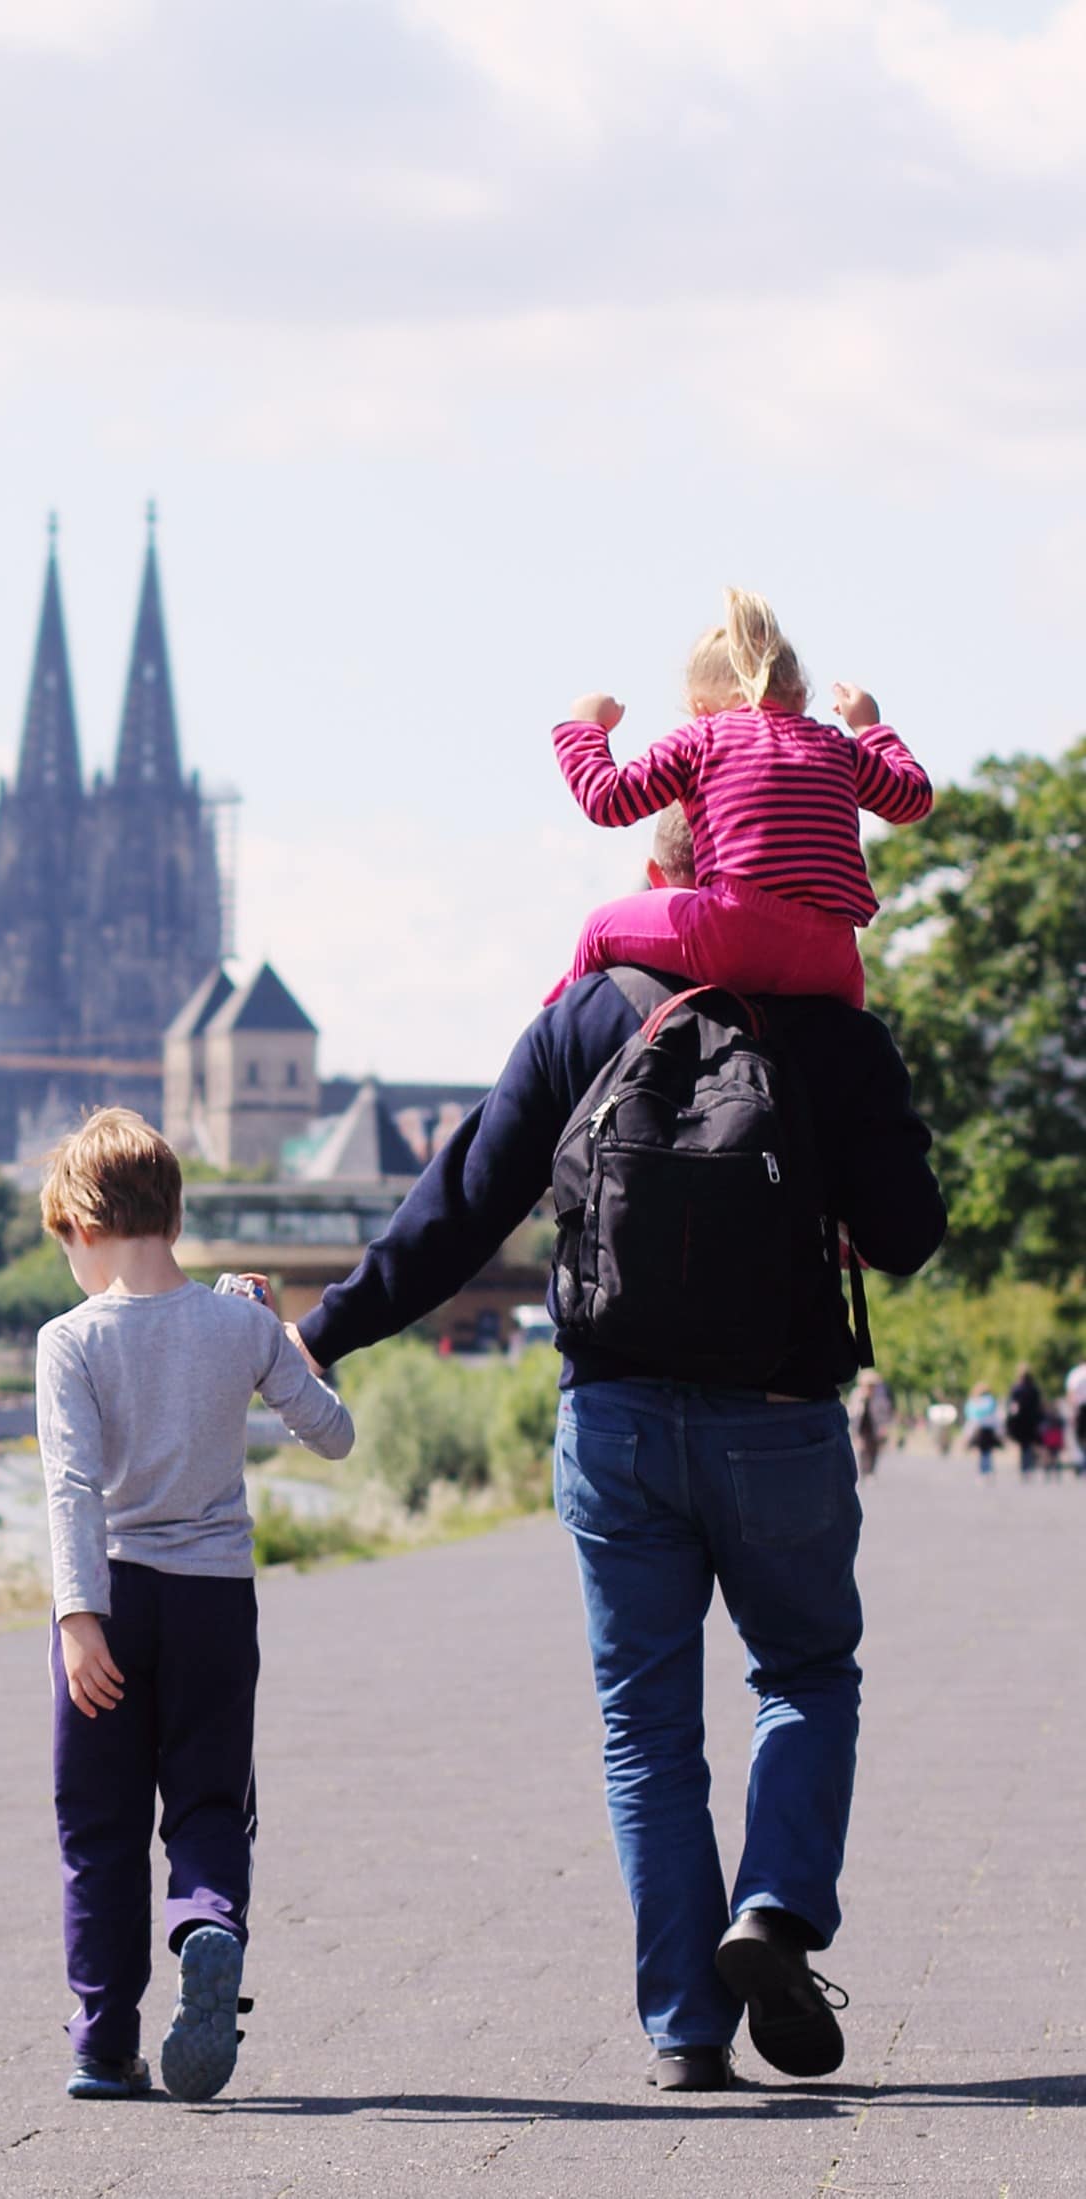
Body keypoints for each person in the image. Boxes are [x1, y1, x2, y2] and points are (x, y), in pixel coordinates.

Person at [292, 816, 944, 2092]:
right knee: (806, 1671)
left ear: (653, 882)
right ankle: (776, 1912)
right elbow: (909, 1232)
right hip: (780, 1416)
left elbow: (462, 1207)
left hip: (618, 1421)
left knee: (647, 1731)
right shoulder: (833, 1029)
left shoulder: (590, 1013)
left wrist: (326, 1331)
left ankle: (685, 2031)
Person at [34, 1107, 353, 2104]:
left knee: (102, 1823)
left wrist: (77, 1618)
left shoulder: (70, 1341)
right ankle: (208, 1918)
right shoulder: (239, 1324)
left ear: (85, 1226)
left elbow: (72, 1488)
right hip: (216, 1600)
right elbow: (332, 1434)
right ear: (172, 1214)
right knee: (210, 1799)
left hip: (113, 1600)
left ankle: (103, 2044)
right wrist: (266, 1331)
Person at [550, 589, 932, 1009]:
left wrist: (586, 728)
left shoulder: (704, 737)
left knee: (597, 928)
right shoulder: (839, 748)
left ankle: (559, 1029)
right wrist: (869, 728)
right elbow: (913, 799)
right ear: (801, 696)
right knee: (859, 1045)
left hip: (731, 936)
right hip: (830, 956)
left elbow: (608, 801)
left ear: (699, 706)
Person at [849, 1372, 893, 1480]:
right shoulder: (857, 1395)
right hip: (861, 1427)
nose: (869, 1388)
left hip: (874, 1427)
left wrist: (884, 1426)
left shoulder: (879, 1397)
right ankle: (865, 1471)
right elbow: (853, 1413)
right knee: (863, 1449)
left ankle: (871, 1471)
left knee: (874, 1449)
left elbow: (884, 1412)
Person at [1005, 1365, 1045, 1476]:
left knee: (1024, 1444)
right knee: (1028, 1444)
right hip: (1030, 1420)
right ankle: (1027, 1466)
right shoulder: (1034, 1388)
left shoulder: (1017, 1389)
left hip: (1021, 1420)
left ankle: (1025, 1466)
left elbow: (1013, 1406)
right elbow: (1039, 1405)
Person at [964, 1384, 1000, 1474]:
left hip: (978, 1427)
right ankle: (987, 1468)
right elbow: (991, 1411)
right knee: (987, 1450)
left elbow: (969, 1413)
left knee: (981, 1450)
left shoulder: (973, 1401)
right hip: (987, 1427)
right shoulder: (990, 1399)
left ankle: (984, 1469)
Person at [1066, 1358, 1086, 1471]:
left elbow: (1071, 1394)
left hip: (1080, 1408)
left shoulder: (1075, 1374)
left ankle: (1082, 1460)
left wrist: (1072, 1411)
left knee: (1079, 1437)